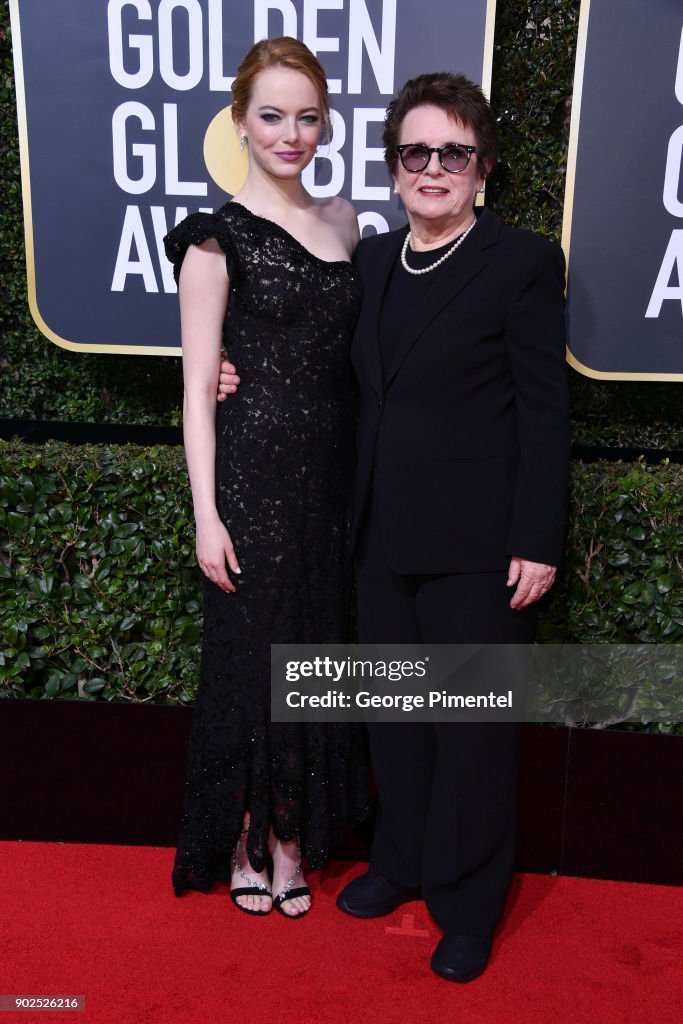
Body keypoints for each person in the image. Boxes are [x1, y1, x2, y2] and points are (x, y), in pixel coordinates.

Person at [220, 71, 569, 977]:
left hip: (480, 548)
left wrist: (537, 537)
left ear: (481, 166)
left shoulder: (520, 262)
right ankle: (403, 863)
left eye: (452, 153)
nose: (432, 168)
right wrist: (231, 368)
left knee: (473, 734)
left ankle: (467, 902)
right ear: (392, 166)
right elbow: (310, 357)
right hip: (377, 536)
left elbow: (543, 411)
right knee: (398, 723)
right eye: (415, 152)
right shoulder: (372, 260)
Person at [165, 36, 367, 920]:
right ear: (240, 124)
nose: (291, 134)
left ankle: (296, 837)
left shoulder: (347, 220)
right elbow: (196, 393)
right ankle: (254, 838)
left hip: (331, 483)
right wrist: (207, 514)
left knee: (313, 652)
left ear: (325, 123)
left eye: (307, 117)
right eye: (272, 116)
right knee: (255, 662)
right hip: (248, 478)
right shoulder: (214, 238)